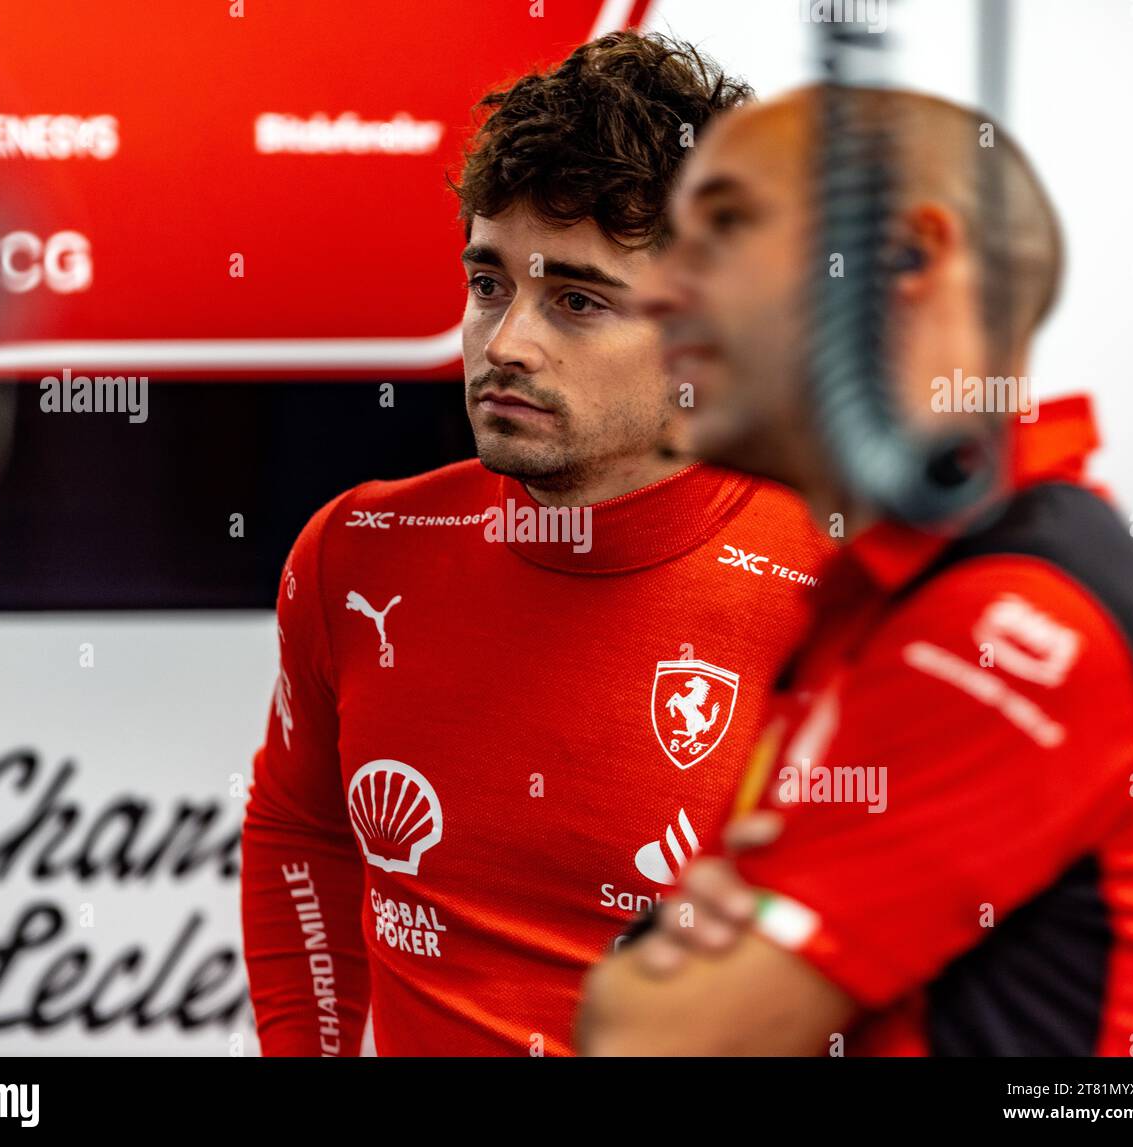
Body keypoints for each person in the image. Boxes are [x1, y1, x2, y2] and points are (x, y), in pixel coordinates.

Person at [239, 33, 833, 1057]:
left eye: (577, 300)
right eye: (487, 283)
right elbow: (303, 831)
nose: (505, 342)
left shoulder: (847, 592)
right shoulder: (360, 549)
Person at [577, 86, 1133, 1056]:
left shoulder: (1013, 617)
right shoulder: (895, 590)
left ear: (907, 255)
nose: (655, 290)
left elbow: (655, 1037)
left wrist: (653, 977)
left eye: (724, 225)